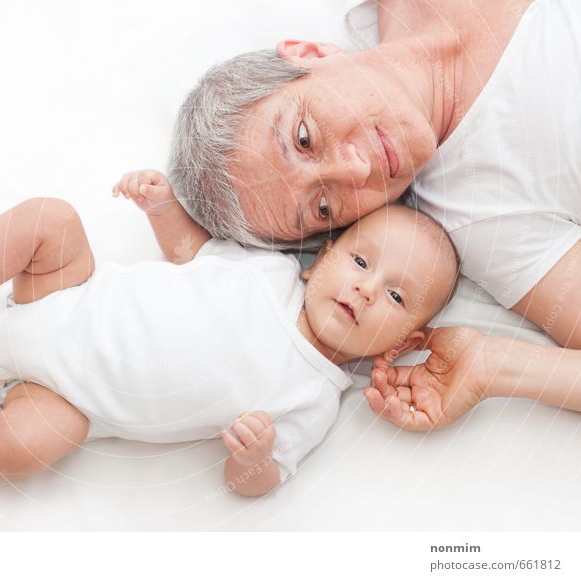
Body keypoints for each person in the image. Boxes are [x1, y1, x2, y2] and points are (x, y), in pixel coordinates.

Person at [0, 170, 457, 496]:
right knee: (52, 218)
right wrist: (162, 208)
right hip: (65, 292)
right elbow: (190, 252)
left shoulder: (314, 397)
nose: (365, 289)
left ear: (404, 341)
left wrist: (254, 460)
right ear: (321, 258)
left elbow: (257, 483)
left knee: (17, 453)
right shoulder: (266, 269)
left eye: (396, 295)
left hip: (62, 401)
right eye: (359, 262)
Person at [167, 0, 581, 428]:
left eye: (305, 138)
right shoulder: (481, 217)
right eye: (324, 206)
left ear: (309, 54)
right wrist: (496, 365)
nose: (357, 168)